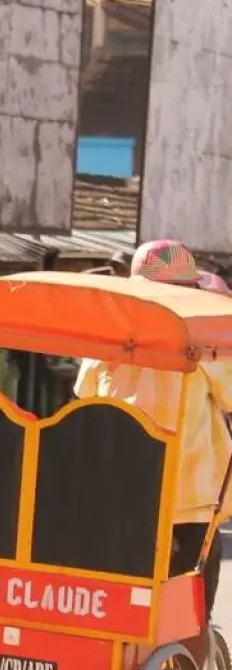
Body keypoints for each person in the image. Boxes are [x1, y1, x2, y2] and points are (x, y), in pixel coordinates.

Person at [74, 239, 232, 624]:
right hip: (190, 502)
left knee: (123, 605)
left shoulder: (108, 341)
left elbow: (84, 399)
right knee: (187, 614)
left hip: (123, 497)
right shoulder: (202, 344)